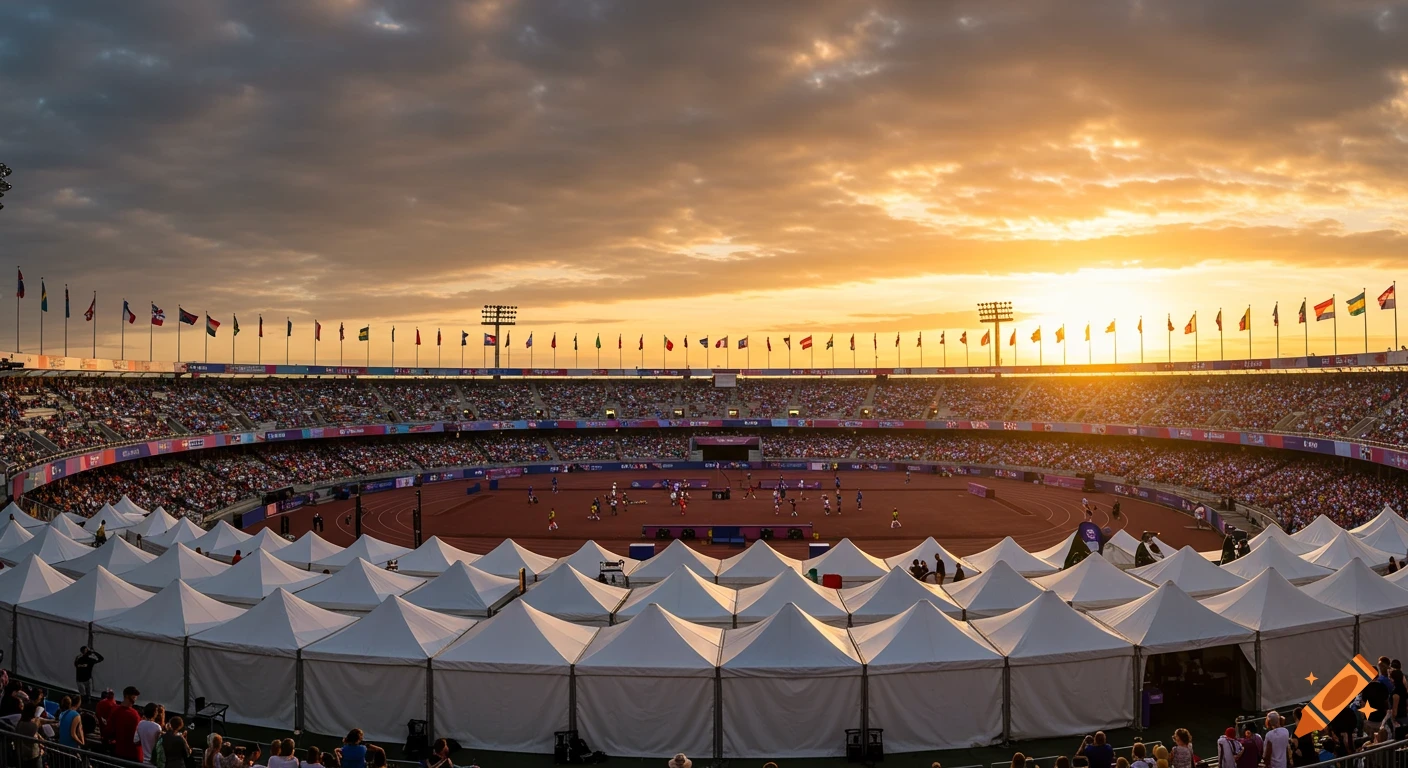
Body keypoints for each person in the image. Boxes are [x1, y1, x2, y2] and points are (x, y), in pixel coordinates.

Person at [108, 686, 144, 762]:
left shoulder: (116, 711)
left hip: (120, 752)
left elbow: (110, 731)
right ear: (127, 696)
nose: (135, 697)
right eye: (134, 695)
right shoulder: (134, 714)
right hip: (133, 754)